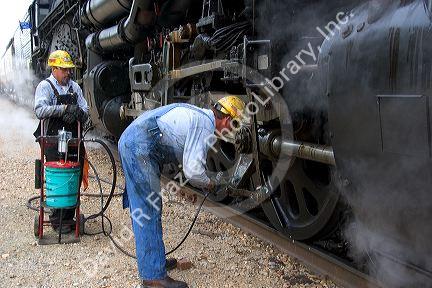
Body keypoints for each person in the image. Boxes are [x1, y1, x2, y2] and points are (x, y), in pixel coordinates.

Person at [118, 96, 245, 288]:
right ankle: (153, 277)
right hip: (137, 147)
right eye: (234, 126)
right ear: (227, 120)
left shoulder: (200, 115)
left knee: (151, 207)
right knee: (148, 210)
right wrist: (209, 183)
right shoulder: (204, 126)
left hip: (136, 143)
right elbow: (193, 172)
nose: (231, 131)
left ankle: (155, 261)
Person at [33, 50, 89, 234]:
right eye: (64, 70)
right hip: (51, 139)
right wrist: (64, 108)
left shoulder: (75, 87)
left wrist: (80, 113)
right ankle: (57, 219)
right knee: (57, 176)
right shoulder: (45, 86)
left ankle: (69, 216)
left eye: (69, 70)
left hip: (74, 139)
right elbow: (40, 110)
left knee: (74, 174)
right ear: (54, 68)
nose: (68, 73)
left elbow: (85, 108)